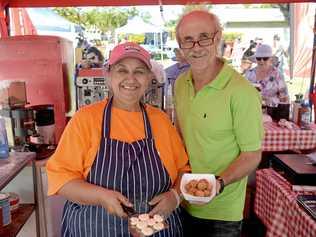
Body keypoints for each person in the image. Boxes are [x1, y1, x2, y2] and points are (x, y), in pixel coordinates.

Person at [46, 42, 190, 236]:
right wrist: (101, 196)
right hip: (94, 228)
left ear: (149, 78)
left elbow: (184, 172)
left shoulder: (161, 121)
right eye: (122, 70)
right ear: (108, 75)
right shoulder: (86, 119)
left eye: (139, 71)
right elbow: (61, 180)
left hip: (157, 230)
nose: (130, 79)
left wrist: (175, 196)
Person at [174, 10, 264, 237]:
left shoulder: (241, 92)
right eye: (188, 40)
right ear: (180, 45)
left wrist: (218, 184)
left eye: (204, 37)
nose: (196, 47)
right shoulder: (180, 84)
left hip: (222, 213)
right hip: (183, 201)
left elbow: (252, 155)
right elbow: (180, 135)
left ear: (218, 37)